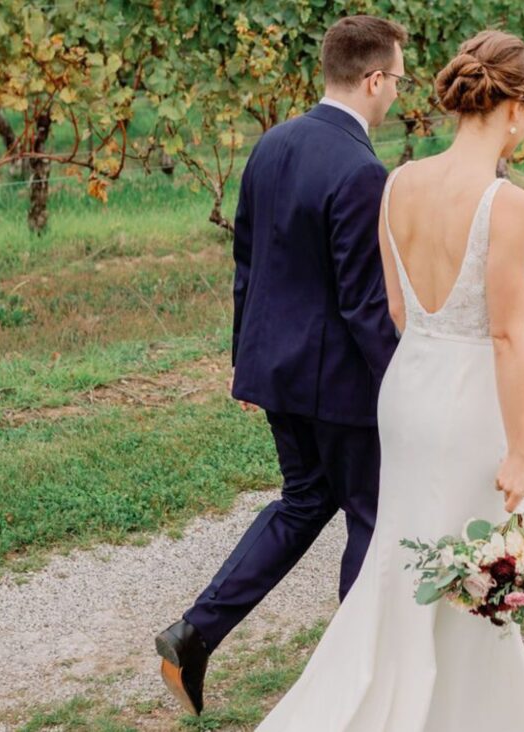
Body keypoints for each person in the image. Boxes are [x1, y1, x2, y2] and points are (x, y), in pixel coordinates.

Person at [253, 29, 524, 731]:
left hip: (408, 386)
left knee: (407, 554)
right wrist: (521, 449)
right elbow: (507, 336)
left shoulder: (399, 182)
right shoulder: (505, 202)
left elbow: (395, 308)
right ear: (516, 108)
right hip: (467, 398)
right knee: (469, 557)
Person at [154, 15, 409, 716]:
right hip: (339, 386)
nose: (398, 93)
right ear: (373, 79)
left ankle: (193, 635)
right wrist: (404, 382)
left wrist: (246, 358)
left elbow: (248, 264)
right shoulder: (362, 171)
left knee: (304, 502)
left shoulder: (271, 144)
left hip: (279, 372)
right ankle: (356, 684)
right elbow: (362, 303)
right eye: (397, 79)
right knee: (372, 515)